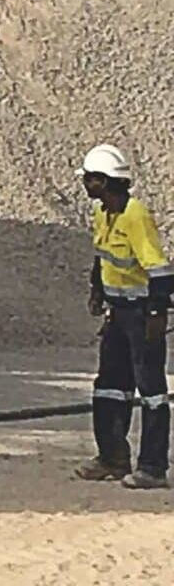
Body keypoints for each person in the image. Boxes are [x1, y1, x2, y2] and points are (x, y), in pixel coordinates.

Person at [78, 144, 172, 489]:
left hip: (141, 312)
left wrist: (155, 312)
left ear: (102, 180)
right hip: (118, 313)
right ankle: (112, 457)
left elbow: (159, 269)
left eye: (89, 178)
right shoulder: (104, 213)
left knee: (151, 391)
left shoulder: (136, 215)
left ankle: (152, 467)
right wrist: (97, 290)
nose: (85, 183)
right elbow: (102, 257)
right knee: (109, 387)